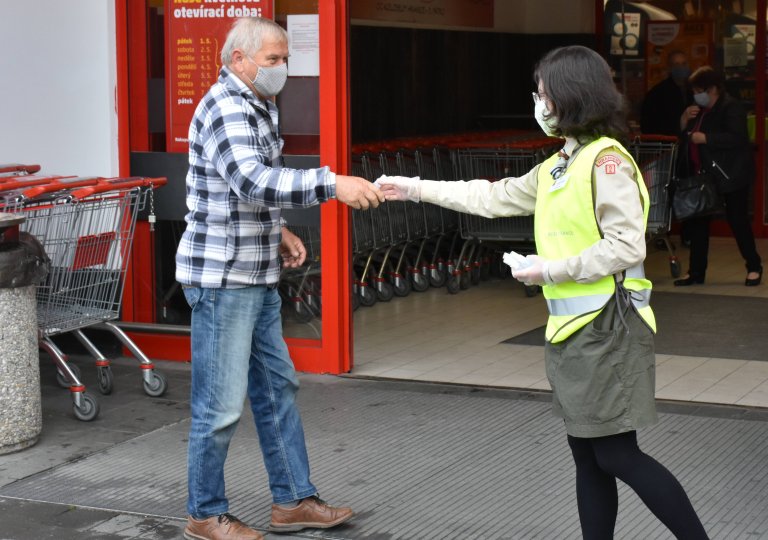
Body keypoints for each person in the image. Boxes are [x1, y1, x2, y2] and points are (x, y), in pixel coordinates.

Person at [376, 45, 709, 539]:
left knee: (617, 454)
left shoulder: (605, 162)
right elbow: (492, 196)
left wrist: (550, 270)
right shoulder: (563, 162)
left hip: (608, 328)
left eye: (543, 93)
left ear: (571, 96)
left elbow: (624, 245)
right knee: (589, 455)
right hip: (576, 331)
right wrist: (416, 187)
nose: (539, 103)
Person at [175, 17, 383, 540]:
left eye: (284, 58)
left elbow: (246, 191)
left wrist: (281, 230)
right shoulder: (225, 106)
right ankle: (204, 513)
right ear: (238, 60)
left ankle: (292, 502)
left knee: (276, 391)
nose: (282, 69)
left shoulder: (256, 104)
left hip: (255, 274)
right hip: (224, 282)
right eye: (272, 60)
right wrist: (333, 183)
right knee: (219, 407)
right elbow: (250, 179)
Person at [674, 66, 762, 287]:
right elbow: (687, 136)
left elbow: (738, 138)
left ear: (712, 89)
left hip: (730, 174)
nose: (696, 95)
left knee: (737, 220)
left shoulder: (730, 107)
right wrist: (684, 120)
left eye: (699, 90)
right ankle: (696, 272)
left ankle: (753, 266)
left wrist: (707, 139)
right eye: (693, 91)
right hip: (704, 175)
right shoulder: (698, 111)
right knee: (699, 222)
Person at [641, 50, 692, 136]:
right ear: (669, 68)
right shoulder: (657, 94)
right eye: (677, 64)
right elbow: (648, 126)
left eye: (684, 64)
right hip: (668, 143)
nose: (681, 67)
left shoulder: (694, 90)